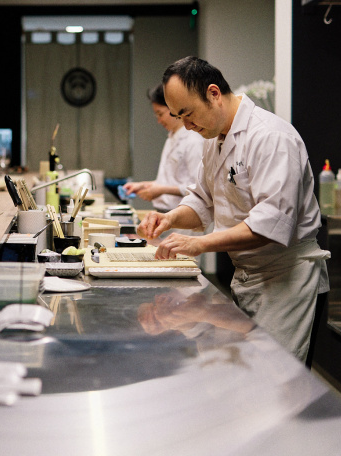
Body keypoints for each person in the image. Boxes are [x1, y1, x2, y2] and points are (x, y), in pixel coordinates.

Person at [136, 56, 329, 363]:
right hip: (247, 274)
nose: (186, 126)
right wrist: (169, 217)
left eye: (187, 114)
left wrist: (197, 243)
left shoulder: (271, 137)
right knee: (241, 371)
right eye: (177, 116)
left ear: (213, 94)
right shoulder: (213, 139)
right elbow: (202, 201)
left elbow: (269, 225)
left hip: (285, 279)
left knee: (276, 377)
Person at [122, 84, 203, 211]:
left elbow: (198, 187)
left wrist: (161, 190)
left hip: (184, 215)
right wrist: (143, 185)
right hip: (165, 212)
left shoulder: (193, 141)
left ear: (174, 108)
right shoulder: (171, 138)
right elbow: (169, 180)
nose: (159, 120)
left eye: (160, 114)